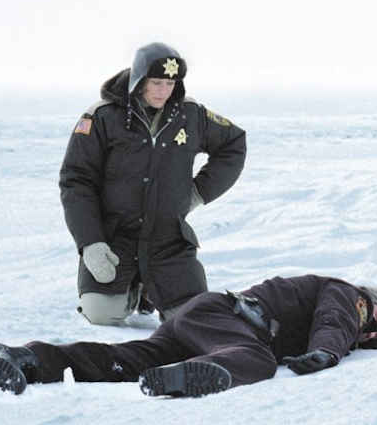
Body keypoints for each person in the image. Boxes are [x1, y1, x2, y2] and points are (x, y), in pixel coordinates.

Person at [0, 274, 377, 397]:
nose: (367, 333)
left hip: (200, 323)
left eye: (374, 339)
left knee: (125, 361)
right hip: (228, 321)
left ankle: (21, 358)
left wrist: (330, 348)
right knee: (255, 360)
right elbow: (335, 319)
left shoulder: (348, 318)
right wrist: (327, 352)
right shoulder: (347, 295)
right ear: (371, 301)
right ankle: (190, 375)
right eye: (375, 324)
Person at [60, 42, 247, 326]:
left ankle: (153, 289)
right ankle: (132, 290)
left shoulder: (190, 115)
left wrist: (198, 192)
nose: (163, 91)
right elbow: (76, 180)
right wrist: (90, 242)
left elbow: (234, 143)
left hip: (168, 240)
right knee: (101, 314)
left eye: (170, 83)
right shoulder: (102, 116)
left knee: (192, 318)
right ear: (139, 79)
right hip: (115, 236)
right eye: (156, 82)